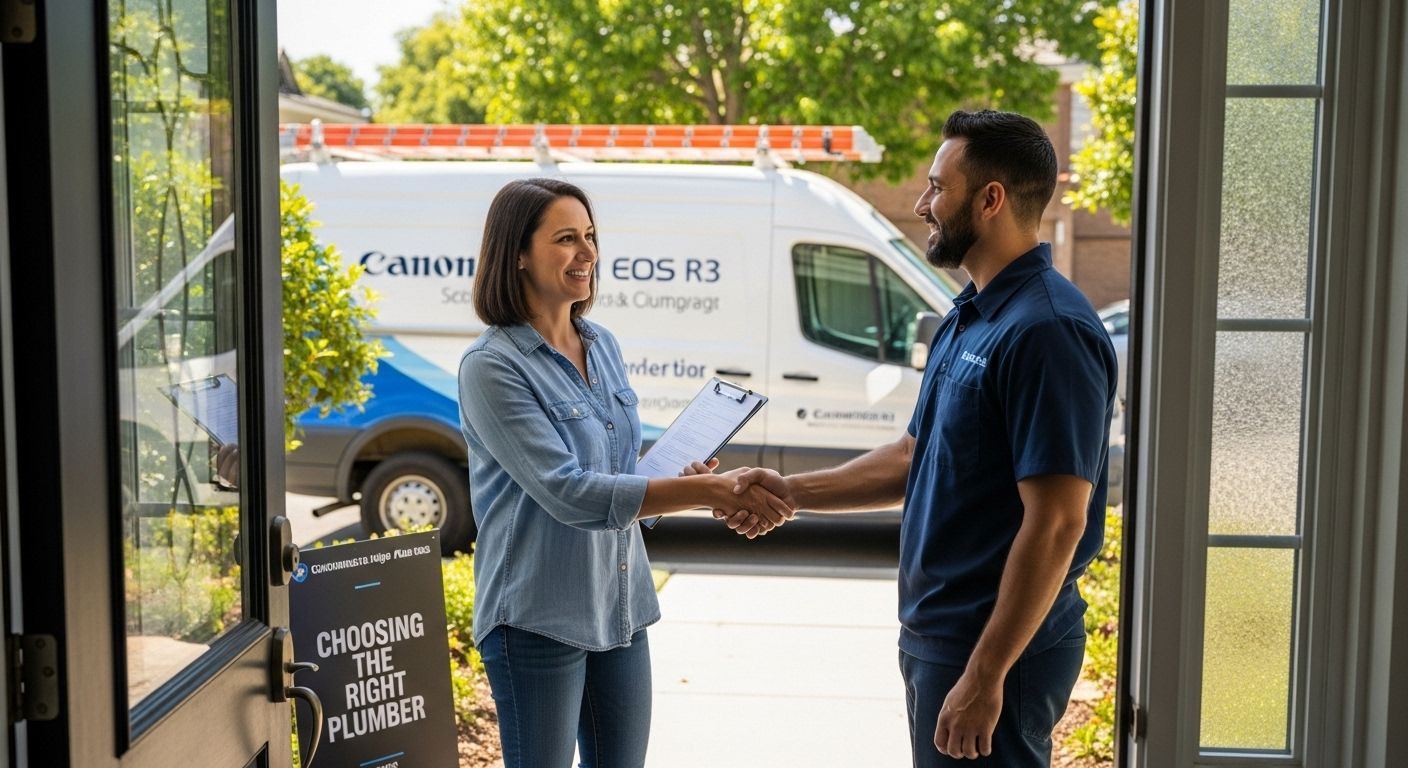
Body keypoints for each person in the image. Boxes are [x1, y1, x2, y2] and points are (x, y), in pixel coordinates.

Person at [723, 110, 1118, 766]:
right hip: (941, 638)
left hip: (995, 650)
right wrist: (790, 491)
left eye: (937, 186)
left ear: (990, 199)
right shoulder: (970, 315)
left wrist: (987, 675)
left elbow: (1056, 524)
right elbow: (915, 456)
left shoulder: (1048, 332)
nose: (922, 203)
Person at [456, 177, 793, 768]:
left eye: (590, 236)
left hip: (620, 606)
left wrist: (676, 477)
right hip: (538, 618)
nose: (587, 253)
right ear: (517, 254)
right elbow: (570, 492)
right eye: (566, 239)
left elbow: (613, 469)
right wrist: (701, 491)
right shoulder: (492, 366)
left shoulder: (600, 342)